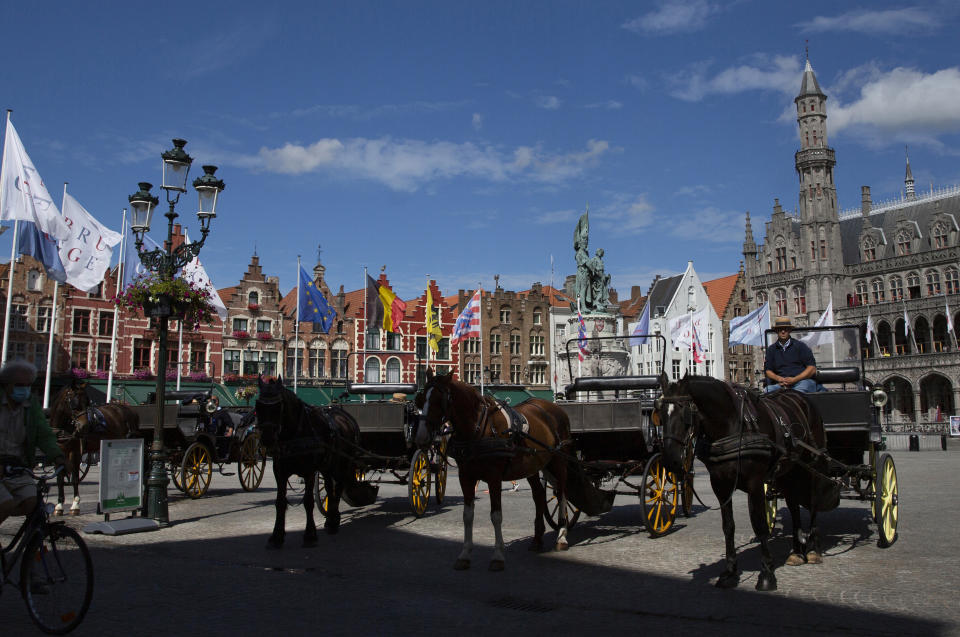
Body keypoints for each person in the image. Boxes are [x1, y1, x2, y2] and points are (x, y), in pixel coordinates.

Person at [0, 360, 67, 525]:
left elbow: (43, 433)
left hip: (17, 465)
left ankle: (30, 547)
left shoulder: (30, 405)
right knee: (5, 503)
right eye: (19, 385)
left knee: (32, 501)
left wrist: (58, 456)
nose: (24, 389)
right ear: (6, 385)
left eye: (28, 385)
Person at [764, 317, 818, 393]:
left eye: (785, 329)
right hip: (781, 384)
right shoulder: (771, 350)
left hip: (801, 382)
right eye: (780, 329)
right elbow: (768, 371)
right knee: (766, 391)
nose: (783, 331)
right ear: (776, 331)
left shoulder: (801, 346)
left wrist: (795, 379)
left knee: (800, 390)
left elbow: (812, 369)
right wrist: (779, 379)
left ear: (789, 330)